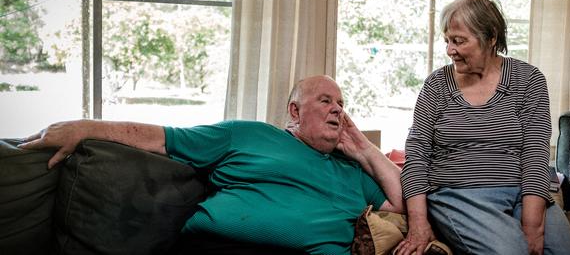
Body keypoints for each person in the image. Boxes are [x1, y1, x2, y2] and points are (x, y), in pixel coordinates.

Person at [19, 75, 404, 255]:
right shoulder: (247, 135)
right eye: (324, 100)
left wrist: (368, 151)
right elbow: (162, 137)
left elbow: (405, 202)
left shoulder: (354, 170)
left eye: (341, 103)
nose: (337, 108)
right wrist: (84, 128)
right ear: (293, 112)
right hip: (223, 247)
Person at [394, 0, 570, 255]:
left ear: (491, 37)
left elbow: (536, 154)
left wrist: (534, 225)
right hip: (459, 194)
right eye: (447, 40)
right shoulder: (436, 86)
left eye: (459, 41)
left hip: (522, 192)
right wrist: (418, 223)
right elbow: (416, 155)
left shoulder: (528, 81)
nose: (450, 50)